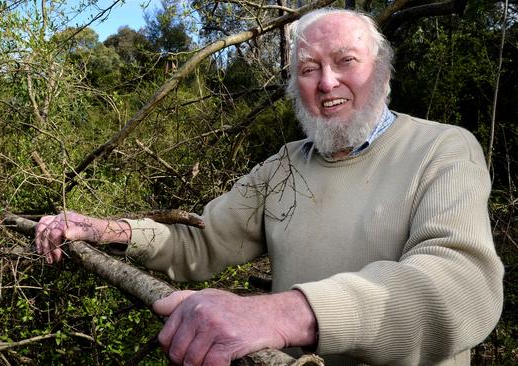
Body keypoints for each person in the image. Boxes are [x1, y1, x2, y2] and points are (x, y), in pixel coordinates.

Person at [35, 8, 504, 366]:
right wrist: (101, 230)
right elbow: (199, 241)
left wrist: (282, 314)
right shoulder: (283, 166)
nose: (327, 82)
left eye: (346, 62)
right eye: (308, 69)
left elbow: (461, 285)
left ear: (382, 71)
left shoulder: (443, 148)